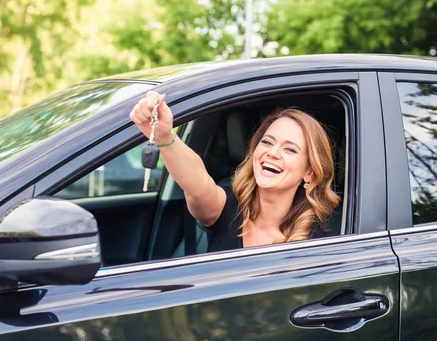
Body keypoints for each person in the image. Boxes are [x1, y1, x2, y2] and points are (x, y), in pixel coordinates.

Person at [130, 91, 340, 252]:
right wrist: (165, 137)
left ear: (310, 173)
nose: (272, 152)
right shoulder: (227, 209)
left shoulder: (316, 242)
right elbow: (198, 185)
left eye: (289, 149)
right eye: (267, 142)